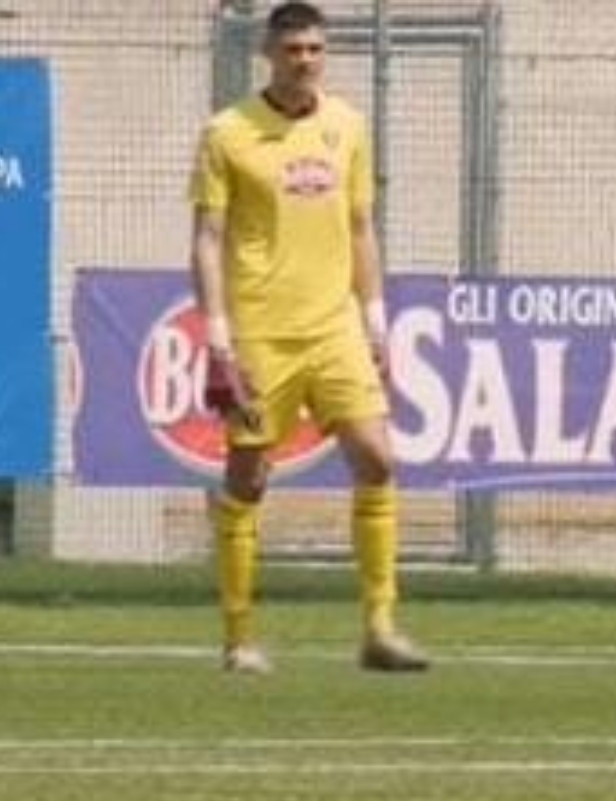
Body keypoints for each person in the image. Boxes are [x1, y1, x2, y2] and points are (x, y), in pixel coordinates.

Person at [188, 0, 428, 674]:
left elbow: (359, 227)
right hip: (262, 330)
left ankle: (380, 627)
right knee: (250, 475)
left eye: (316, 50)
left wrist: (375, 319)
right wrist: (217, 338)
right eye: (294, 50)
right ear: (269, 52)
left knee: (377, 456)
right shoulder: (228, 132)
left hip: (333, 327)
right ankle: (238, 638)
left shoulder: (348, 125)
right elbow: (207, 239)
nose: (306, 61)